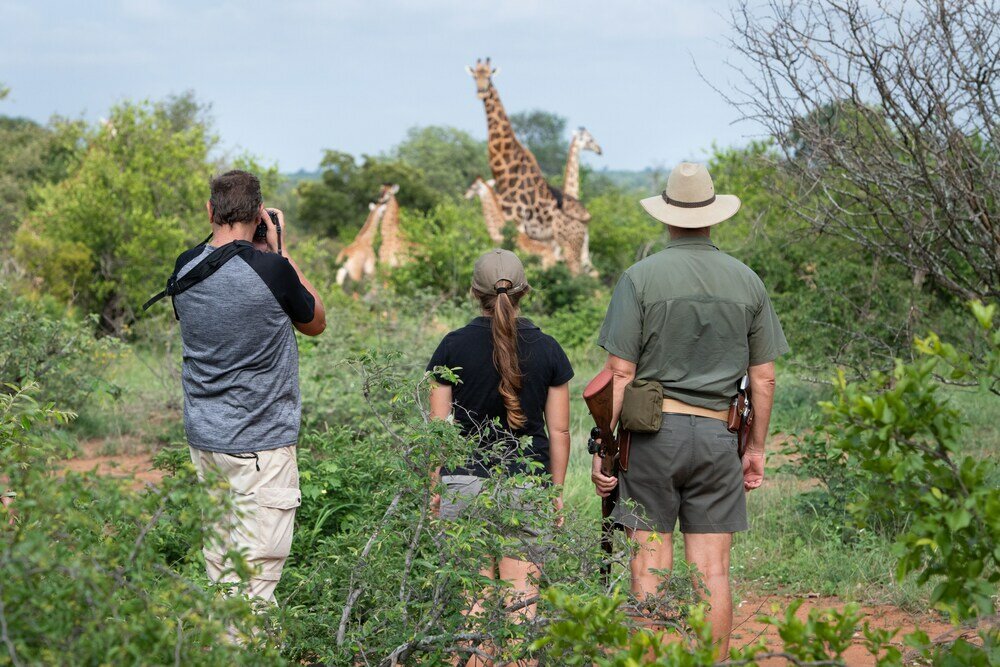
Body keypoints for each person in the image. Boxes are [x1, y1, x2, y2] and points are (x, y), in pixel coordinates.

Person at [591, 162, 788, 654]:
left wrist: (603, 446)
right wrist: (755, 449)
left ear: (666, 216)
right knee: (713, 570)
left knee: (648, 565)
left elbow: (620, 373)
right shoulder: (748, 281)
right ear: (713, 216)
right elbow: (764, 378)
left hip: (651, 441)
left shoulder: (639, 278)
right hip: (721, 437)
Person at [173, 169, 326, 606]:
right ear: (260, 214)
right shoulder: (273, 270)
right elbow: (315, 321)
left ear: (210, 211)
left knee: (223, 572)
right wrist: (280, 252)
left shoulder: (185, 265)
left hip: (207, 442)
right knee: (256, 583)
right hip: (261, 446)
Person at [426, 249, 573, 637]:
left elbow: (438, 428)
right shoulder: (549, 348)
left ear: (475, 293)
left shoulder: (452, 346)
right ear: (524, 291)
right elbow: (559, 432)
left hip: (464, 482)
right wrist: (555, 493)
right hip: (527, 483)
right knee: (521, 603)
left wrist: (435, 485)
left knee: (472, 605)